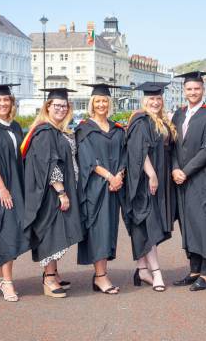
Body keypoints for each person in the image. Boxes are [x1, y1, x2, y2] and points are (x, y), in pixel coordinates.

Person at [22, 88, 83, 298]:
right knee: (51, 232)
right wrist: (61, 192)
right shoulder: (45, 131)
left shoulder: (57, 130)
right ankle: (48, 279)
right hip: (50, 194)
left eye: (64, 106)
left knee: (57, 232)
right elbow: (49, 164)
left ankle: (53, 274)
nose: (60, 109)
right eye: (56, 105)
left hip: (57, 191)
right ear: (47, 107)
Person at [171, 71, 206, 291]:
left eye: (196, 89)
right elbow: (172, 145)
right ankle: (193, 270)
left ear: (203, 90)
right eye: (189, 89)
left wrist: (186, 171)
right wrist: (174, 168)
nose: (193, 92)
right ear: (184, 91)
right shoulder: (179, 114)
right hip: (180, 180)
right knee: (187, 225)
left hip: (201, 180)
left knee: (203, 225)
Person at [125, 82, 176, 292]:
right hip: (144, 181)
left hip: (157, 180)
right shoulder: (140, 120)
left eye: (158, 99)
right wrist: (152, 174)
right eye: (151, 99)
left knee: (146, 225)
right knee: (149, 224)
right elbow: (139, 150)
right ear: (144, 100)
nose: (155, 102)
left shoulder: (160, 120)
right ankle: (156, 273)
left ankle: (142, 269)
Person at [75, 84, 126, 295]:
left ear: (109, 103)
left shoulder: (117, 128)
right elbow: (87, 159)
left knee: (109, 229)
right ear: (92, 104)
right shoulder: (84, 128)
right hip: (95, 187)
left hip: (113, 188)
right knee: (98, 230)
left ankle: (101, 274)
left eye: (105, 100)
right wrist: (109, 176)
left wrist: (120, 175)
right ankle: (100, 276)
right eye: (98, 101)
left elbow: (125, 155)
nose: (102, 104)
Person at [0, 84, 30, 302]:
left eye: (6, 100)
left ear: (11, 102)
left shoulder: (15, 127)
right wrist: (2, 188)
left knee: (6, 232)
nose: (2, 104)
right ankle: (7, 283)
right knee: (7, 232)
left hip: (14, 187)